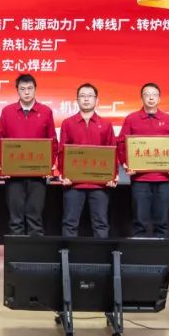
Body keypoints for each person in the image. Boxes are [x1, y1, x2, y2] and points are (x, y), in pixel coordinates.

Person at [0, 74, 57, 236]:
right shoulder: (7, 112)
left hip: (38, 174)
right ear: (17, 91)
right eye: (22, 89)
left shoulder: (46, 111)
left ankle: (35, 252)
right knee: (15, 219)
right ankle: (16, 252)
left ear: (35, 89)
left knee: (35, 216)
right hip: (13, 175)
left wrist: (49, 164)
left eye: (30, 88)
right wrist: (1, 163)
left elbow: (52, 141)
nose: (27, 92)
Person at [117, 83, 169, 237]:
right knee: (140, 221)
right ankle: (140, 252)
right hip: (140, 179)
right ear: (142, 97)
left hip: (163, 178)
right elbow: (121, 143)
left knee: (162, 221)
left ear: (159, 98)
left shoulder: (168, 120)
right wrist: (126, 163)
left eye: (154, 95)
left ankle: (160, 252)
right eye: (147, 94)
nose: (151, 98)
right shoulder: (131, 119)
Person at [59, 83, 117, 237]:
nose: (86, 99)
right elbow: (62, 151)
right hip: (74, 183)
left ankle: (101, 253)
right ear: (77, 100)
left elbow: (112, 151)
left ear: (96, 100)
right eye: (82, 96)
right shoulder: (67, 123)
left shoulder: (106, 124)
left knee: (101, 223)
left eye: (90, 96)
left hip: (99, 184)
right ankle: (68, 253)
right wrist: (64, 174)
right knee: (70, 223)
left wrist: (112, 175)